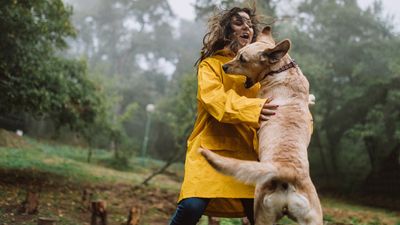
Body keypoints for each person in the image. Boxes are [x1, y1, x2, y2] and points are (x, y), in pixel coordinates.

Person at [169, 7, 278, 225]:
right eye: (239, 23)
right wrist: (255, 109)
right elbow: (216, 102)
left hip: (247, 155)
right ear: (227, 30)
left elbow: (279, 105)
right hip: (210, 151)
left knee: (261, 217)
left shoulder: (260, 69)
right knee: (191, 208)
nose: (246, 27)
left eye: (249, 24)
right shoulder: (209, 65)